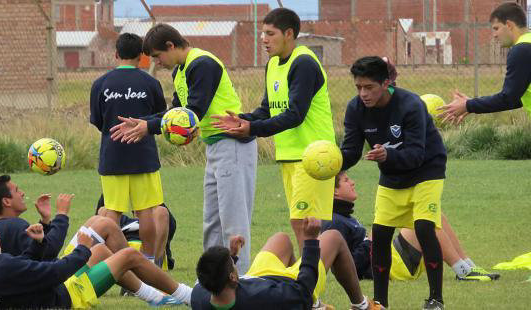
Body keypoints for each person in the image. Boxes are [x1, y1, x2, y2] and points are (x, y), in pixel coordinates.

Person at [110, 24, 258, 274]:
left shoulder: (202, 64)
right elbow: (174, 113)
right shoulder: (181, 71)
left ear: (170, 46)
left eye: (158, 56)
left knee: (233, 222)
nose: (158, 62)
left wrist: (150, 127)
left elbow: (192, 114)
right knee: (212, 222)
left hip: (233, 145)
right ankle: (212, 281)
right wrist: (145, 122)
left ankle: (240, 281)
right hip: (215, 146)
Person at [211, 8, 337, 253]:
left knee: (305, 223)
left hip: (314, 157)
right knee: (300, 223)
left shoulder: (304, 63)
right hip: (290, 156)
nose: (264, 40)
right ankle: (313, 283)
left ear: (289, 33)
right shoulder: (272, 65)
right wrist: (242, 120)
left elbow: (295, 115)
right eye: (262, 34)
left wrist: (252, 129)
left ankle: (311, 288)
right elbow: (267, 109)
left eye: (270, 33)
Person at [340, 56, 447, 309]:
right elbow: (351, 150)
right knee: (380, 234)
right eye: (358, 87)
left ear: (386, 83)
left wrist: (388, 155)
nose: (363, 94)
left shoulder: (411, 105)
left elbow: (416, 154)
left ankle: (436, 299)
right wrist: (332, 165)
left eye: (369, 87)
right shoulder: (355, 108)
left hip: (427, 170)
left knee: (423, 227)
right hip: (391, 174)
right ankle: (380, 303)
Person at [0, 175, 181, 306]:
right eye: (17, 190)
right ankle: (153, 286)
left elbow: (34, 253)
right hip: (58, 277)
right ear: (6, 201)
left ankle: (145, 290)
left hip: (47, 276)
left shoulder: (0, 227)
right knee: (105, 225)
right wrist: (61, 215)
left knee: (102, 240)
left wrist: (45, 221)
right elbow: (48, 251)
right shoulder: (13, 226)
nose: (22, 193)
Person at [0, 218, 193, 309]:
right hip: (67, 301)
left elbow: (23, 267)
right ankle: (188, 296)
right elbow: (55, 272)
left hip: (50, 295)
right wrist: (81, 247)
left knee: (100, 250)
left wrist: (37, 244)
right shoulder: (1, 268)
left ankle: (153, 297)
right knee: (128, 257)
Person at [323, 171, 500, 282]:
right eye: (346, 180)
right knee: (423, 221)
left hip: (395, 259)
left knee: (435, 214)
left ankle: (468, 265)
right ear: (334, 192)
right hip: (391, 267)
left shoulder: (343, 217)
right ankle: (462, 271)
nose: (352, 182)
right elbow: (348, 265)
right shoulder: (334, 221)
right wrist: (370, 241)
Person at [90, 33, 167, 262]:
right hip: (143, 156)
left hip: (113, 157)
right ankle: (149, 262)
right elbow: (161, 117)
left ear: (116, 54)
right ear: (142, 56)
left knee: (111, 212)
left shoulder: (101, 83)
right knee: (145, 212)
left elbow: (98, 121)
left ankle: (112, 263)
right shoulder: (150, 83)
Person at [192, 217, 383, 310]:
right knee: (333, 237)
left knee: (281, 238)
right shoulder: (267, 298)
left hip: (257, 278)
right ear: (233, 278)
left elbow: (195, 285)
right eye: (232, 265)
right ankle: (362, 306)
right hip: (287, 284)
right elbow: (302, 291)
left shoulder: (201, 296)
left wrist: (232, 257)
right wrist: (310, 241)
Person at [438, 2, 531, 124]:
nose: (494, 35)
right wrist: (471, 104)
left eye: (496, 28)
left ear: (508, 25)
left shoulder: (521, 50)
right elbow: (517, 97)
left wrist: (468, 105)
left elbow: (508, 99)